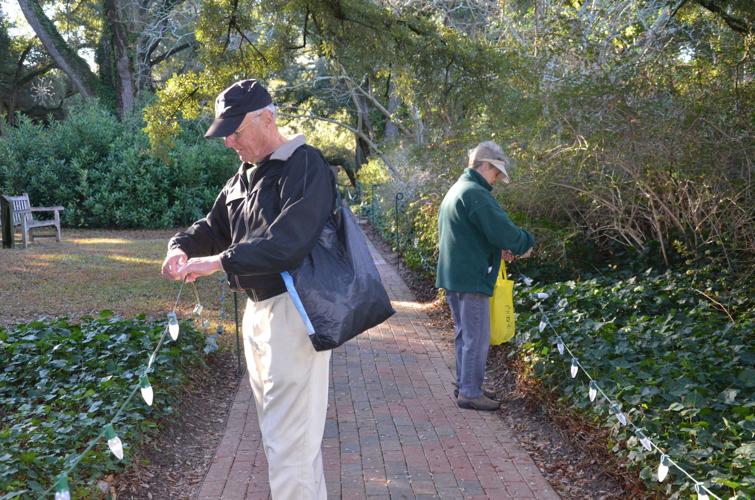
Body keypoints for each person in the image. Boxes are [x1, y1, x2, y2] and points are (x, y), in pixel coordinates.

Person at [160, 79, 335, 499]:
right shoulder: (244, 176)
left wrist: (218, 262)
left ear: (268, 119)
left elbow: (287, 243)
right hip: (257, 315)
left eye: (236, 131)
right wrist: (180, 247)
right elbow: (213, 227)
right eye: (225, 133)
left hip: (294, 311)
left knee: (288, 440)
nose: (229, 142)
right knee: (290, 440)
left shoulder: (306, 166)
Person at [436, 140, 534, 411]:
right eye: (496, 173)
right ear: (485, 166)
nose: (497, 179)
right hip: (472, 276)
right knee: (476, 337)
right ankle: (469, 392)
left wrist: (496, 247)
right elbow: (502, 231)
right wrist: (525, 243)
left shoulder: (458, 189)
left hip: (454, 274)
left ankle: (466, 383)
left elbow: (471, 233)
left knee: (464, 334)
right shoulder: (476, 193)